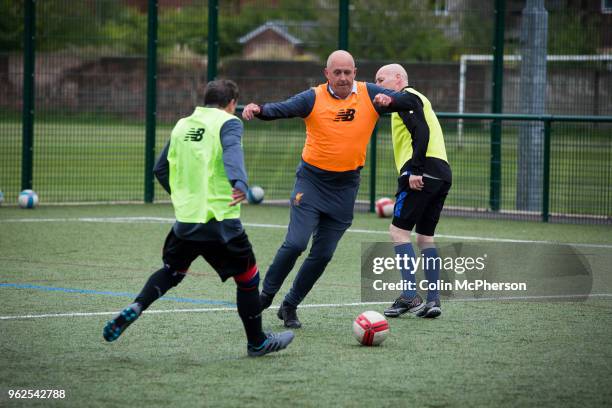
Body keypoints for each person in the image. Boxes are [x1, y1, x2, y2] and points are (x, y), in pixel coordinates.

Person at [103, 80, 294, 357]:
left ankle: (137, 306)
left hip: (187, 221)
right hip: (221, 222)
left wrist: (183, 196)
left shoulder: (182, 124)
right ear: (231, 103)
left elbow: (160, 169)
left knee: (171, 271)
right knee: (248, 279)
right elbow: (232, 150)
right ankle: (257, 343)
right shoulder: (229, 122)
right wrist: (239, 181)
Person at [242, 50, 426, 328]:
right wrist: (259, 109)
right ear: (326, 74)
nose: (342, 77)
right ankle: (265, 297)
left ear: (355, 72)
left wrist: (393, 99)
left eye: (347, 72)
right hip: (311, 183)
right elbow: (282, 108)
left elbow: (412, 101)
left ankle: (289, 306)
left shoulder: (369, 94)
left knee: (323, 254)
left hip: (345, 187)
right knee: (295, 244)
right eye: (336, 72)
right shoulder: (312, 97)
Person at [374, 64, 452, 319]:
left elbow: (422, 131)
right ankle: (433, 300)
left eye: (380, 79)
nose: (377, 84)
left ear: (398, 79)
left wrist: (416, 170)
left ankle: (409, 295)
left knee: (398, 232)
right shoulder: (414, 100)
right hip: (441, 173)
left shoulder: (408, 97)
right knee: (424, 238)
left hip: (421, 171)